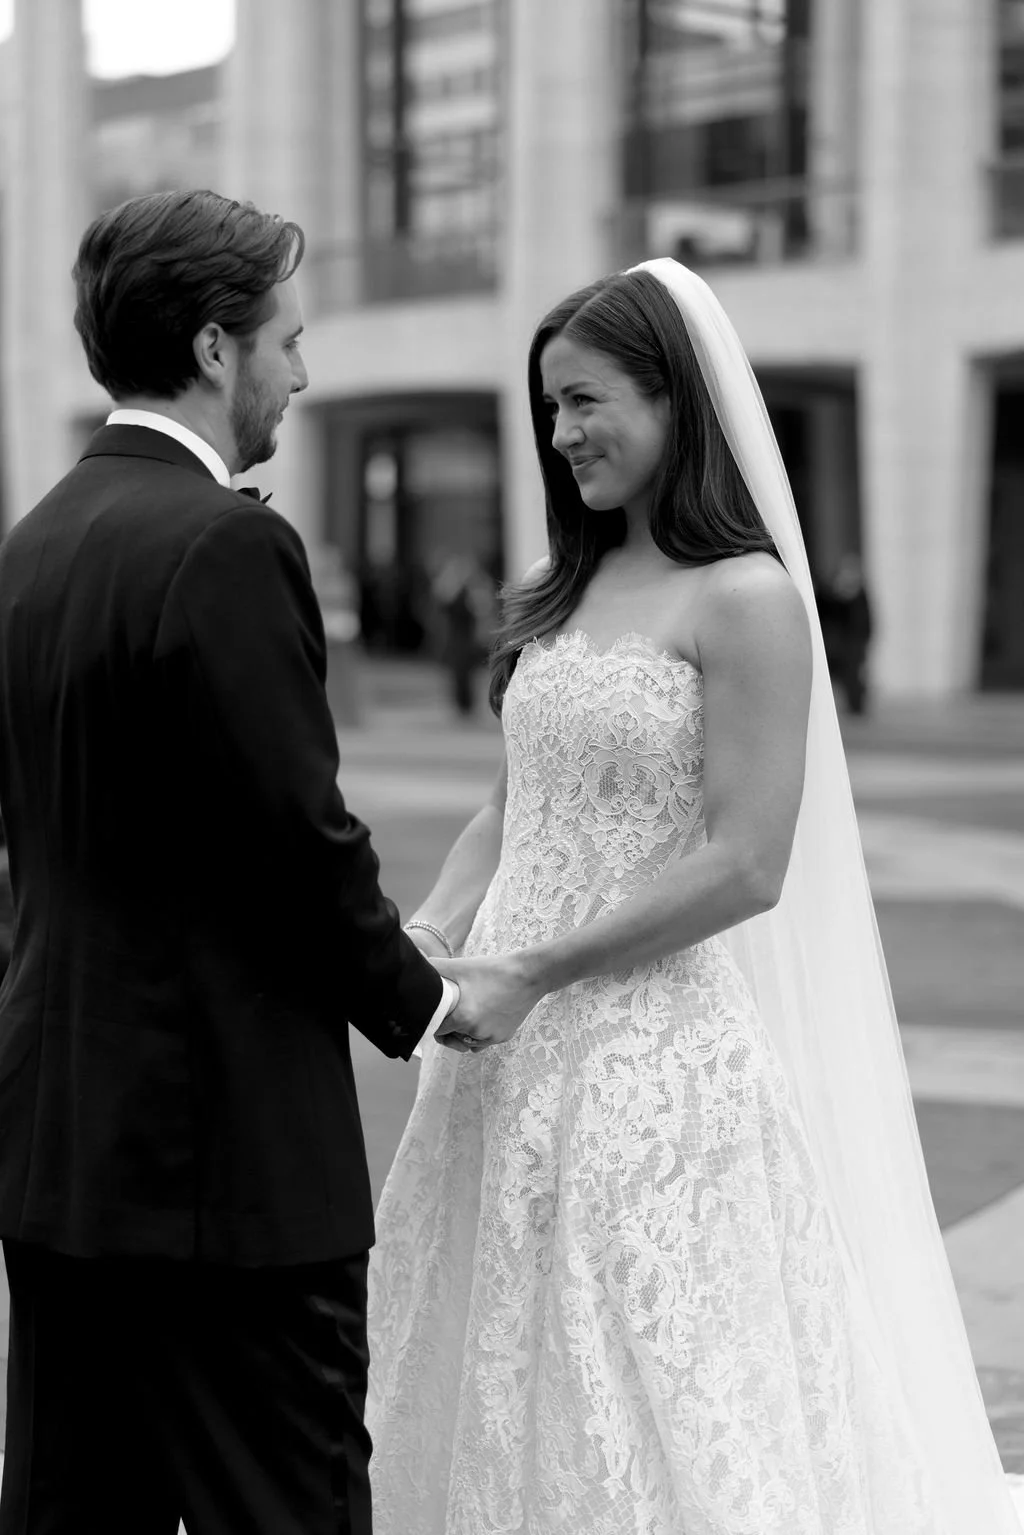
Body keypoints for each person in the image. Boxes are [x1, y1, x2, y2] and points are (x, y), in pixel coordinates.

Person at [365, 261, 1024, 1533]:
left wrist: (539, 968)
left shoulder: (749, 599)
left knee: (649, 1362)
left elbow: (746, 862)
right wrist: (440, 930)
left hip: (649, 1055)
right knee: (490, 1344)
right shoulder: (559, 589)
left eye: (587, 400)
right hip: (497, 1044)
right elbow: (512, 807)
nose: (562, 437)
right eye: (549, 409)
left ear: (676, 397)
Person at [0, 189, 464, 1535]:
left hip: (55, 1148)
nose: (302, 375)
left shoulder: (29, 549)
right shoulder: (228, 542)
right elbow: (294, 837)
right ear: (217, 350)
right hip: (228, 1176)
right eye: (289, 341)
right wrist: (425, 1000)